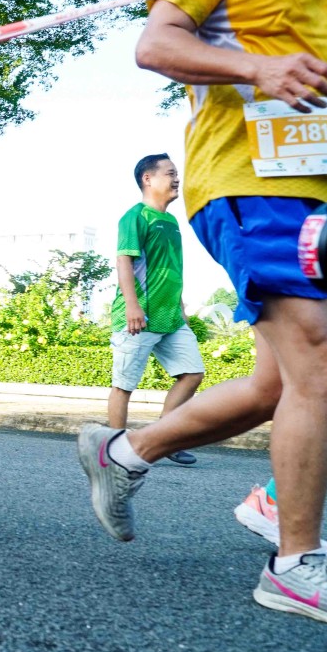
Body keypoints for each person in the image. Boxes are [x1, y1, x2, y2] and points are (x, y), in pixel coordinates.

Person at [79, 0, 327, 625]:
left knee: (278, 384)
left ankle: (129, 455)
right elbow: (155, 43)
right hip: (254, 183)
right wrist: (260, 67)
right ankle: (294, 565)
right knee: (323, 362)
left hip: (324, 188)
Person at [106, 154, 204, 465]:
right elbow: (124, 261)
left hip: (171, 317)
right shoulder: (135, 217)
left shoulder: (172, 221)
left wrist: (180, 307)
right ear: (148, 179)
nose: (177, 179)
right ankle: (114, 448)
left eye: (177, 174)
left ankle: (165, 438)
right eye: (170, 173)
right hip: (139, 317)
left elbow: (170, 269)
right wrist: (133, 306)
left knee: (192, 373)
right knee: (124, 386)